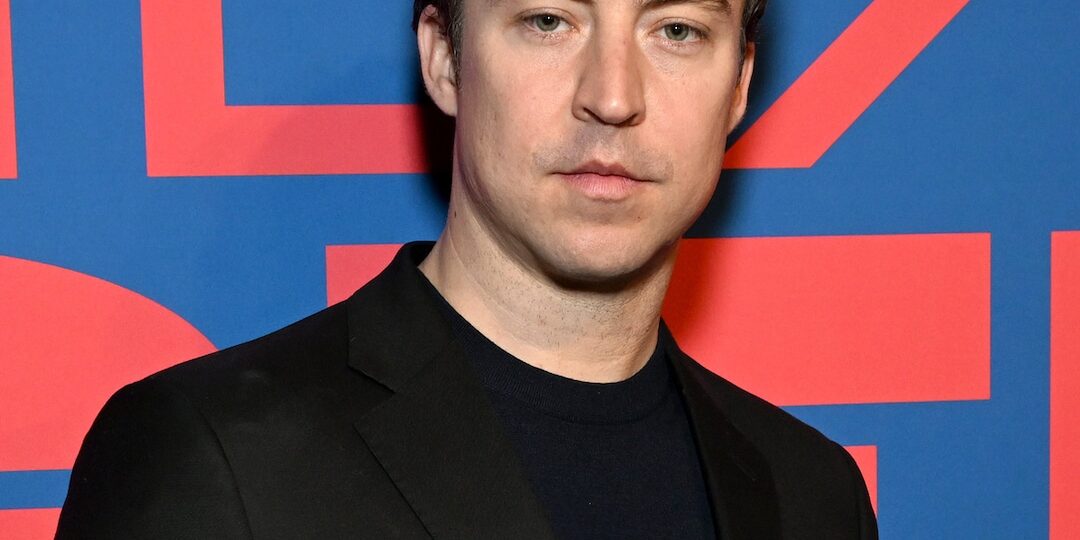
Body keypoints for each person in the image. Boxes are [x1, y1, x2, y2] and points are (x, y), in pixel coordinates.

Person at [57, 0, 877, 538]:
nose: (613, 95)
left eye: (678, 30)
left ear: (738, 86)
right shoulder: (215, 457)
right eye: (549, 20)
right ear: (445, 58)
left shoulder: (813, 496)